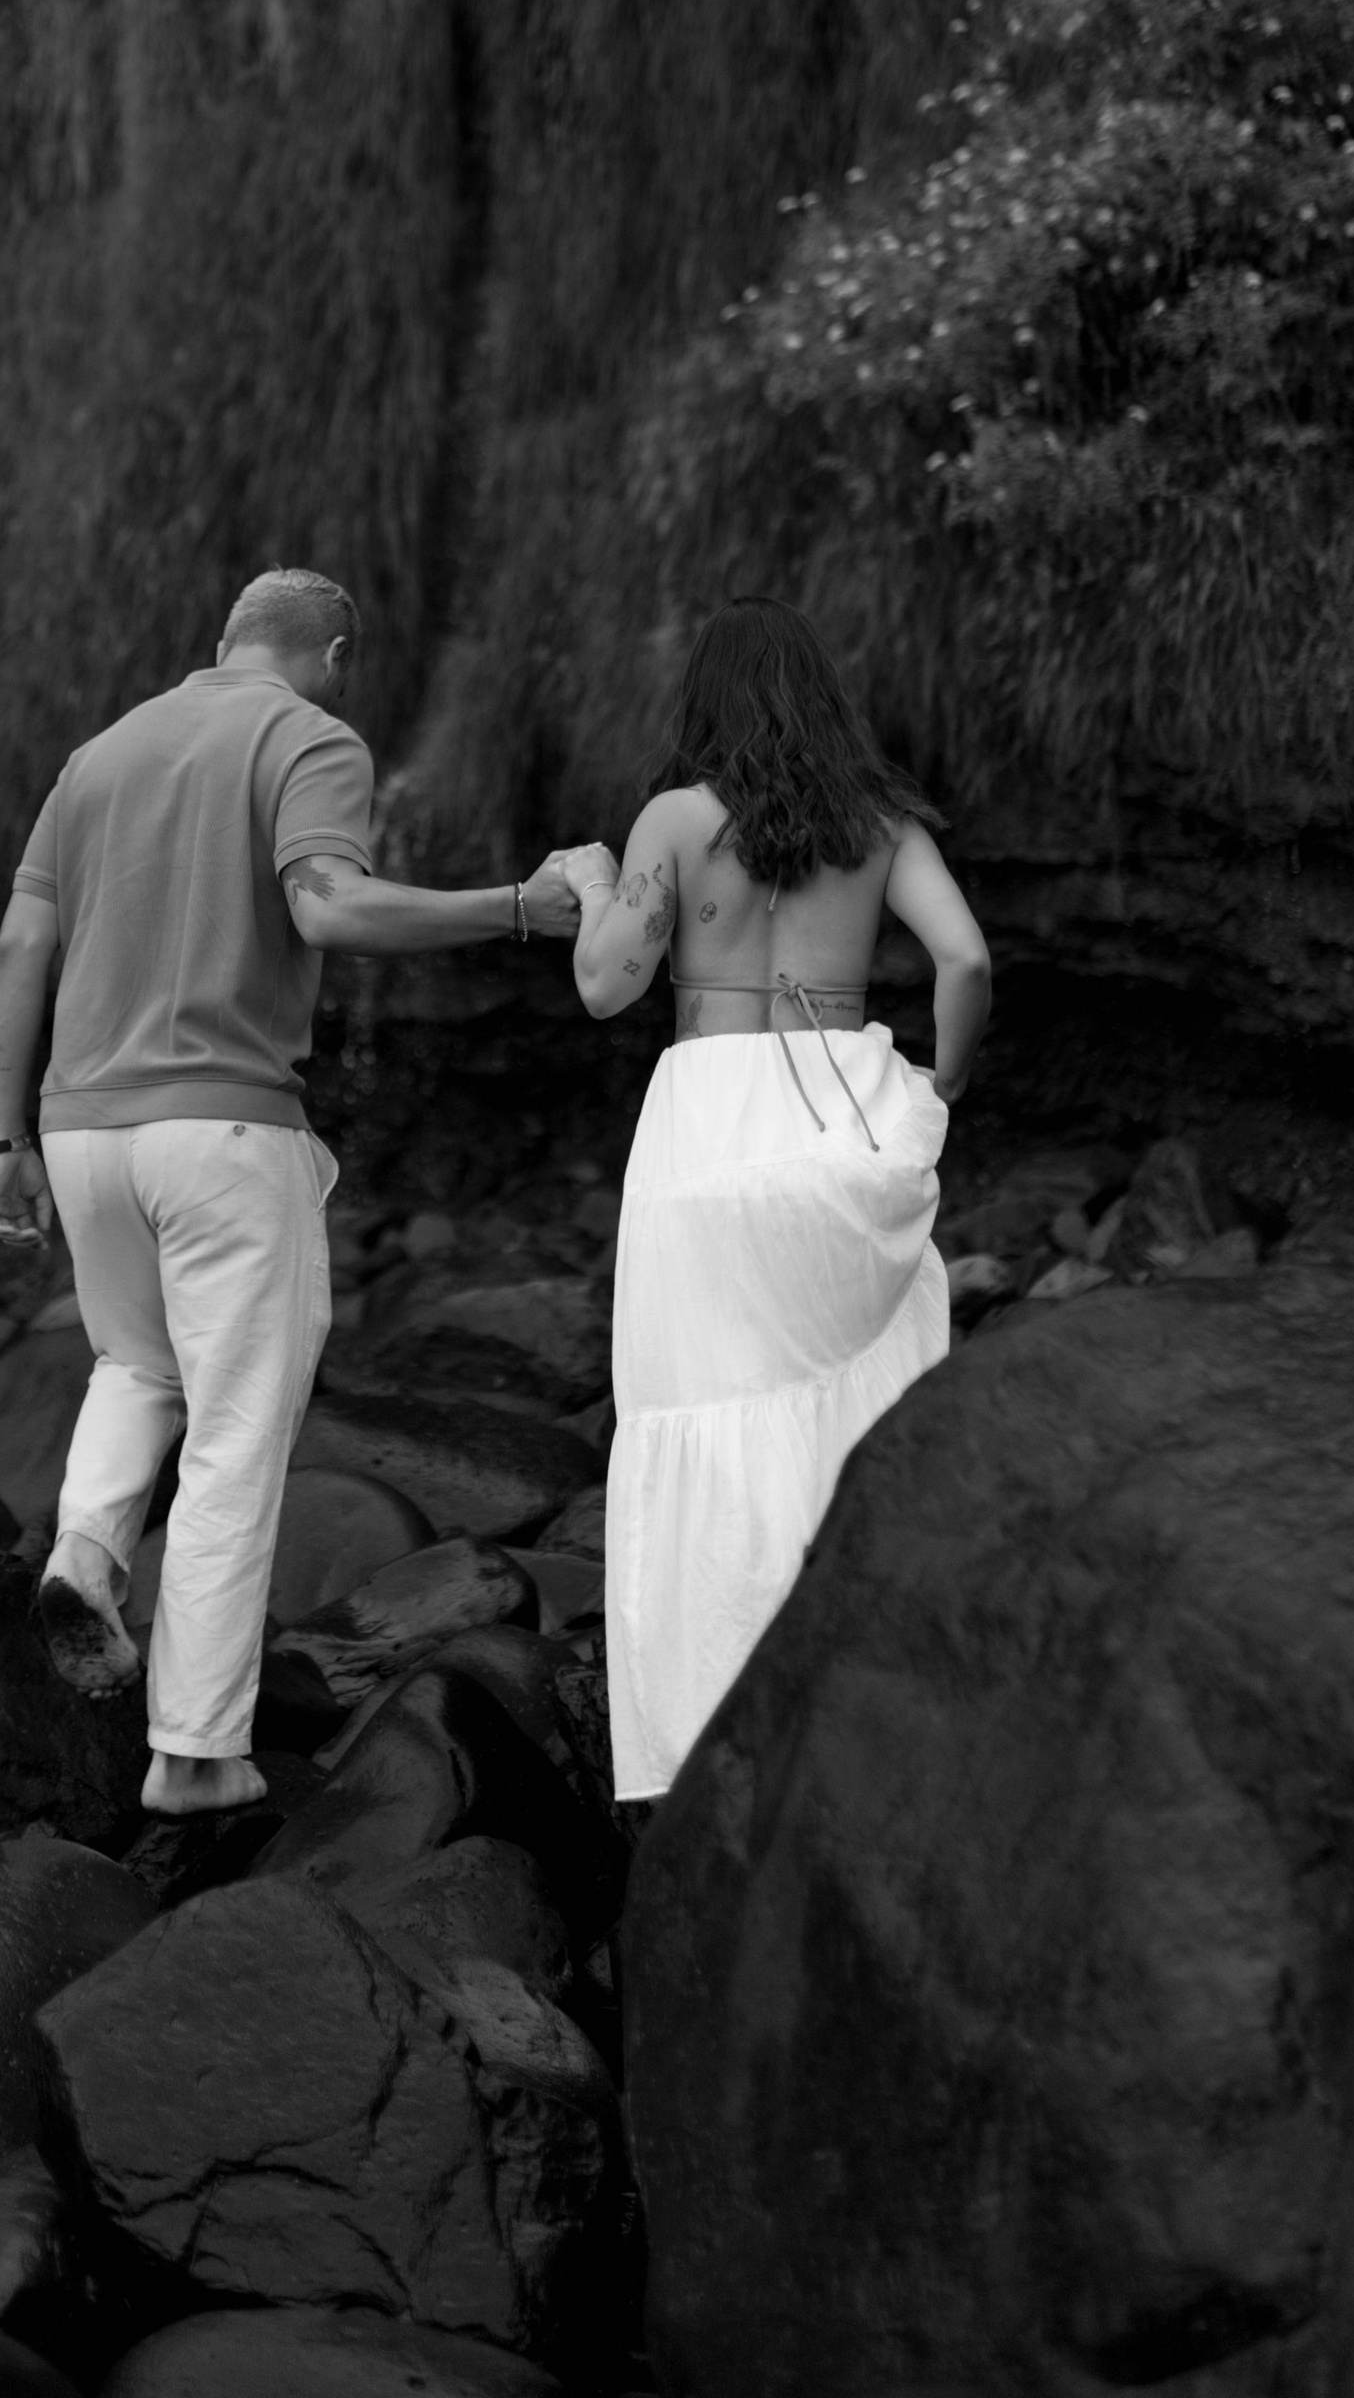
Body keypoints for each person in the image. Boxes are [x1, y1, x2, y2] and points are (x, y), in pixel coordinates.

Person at [0, 566, 588, 1818]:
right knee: (238, 1434)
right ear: (335, 652)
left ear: (221, 642)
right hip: (220, 1132)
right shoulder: (308, 735)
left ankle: (87, 1556)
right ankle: (195, 1752)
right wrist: (517, 909)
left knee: (137, 1369)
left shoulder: (97, 755)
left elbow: (19, 947)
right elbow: (329, 905)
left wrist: (1, 1141)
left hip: (81, 1130)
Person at [562, 594, 991, 1804]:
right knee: (851, 1398)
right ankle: (857, 1684)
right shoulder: (882, 823)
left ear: (705, 699)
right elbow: (964, 960)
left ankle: (707, 1727)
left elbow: (606, 986)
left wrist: (598, 883)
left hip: (707, 1121)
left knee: (698, 1405)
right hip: (839, 1105)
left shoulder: (675, 822)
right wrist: (940, 1084)